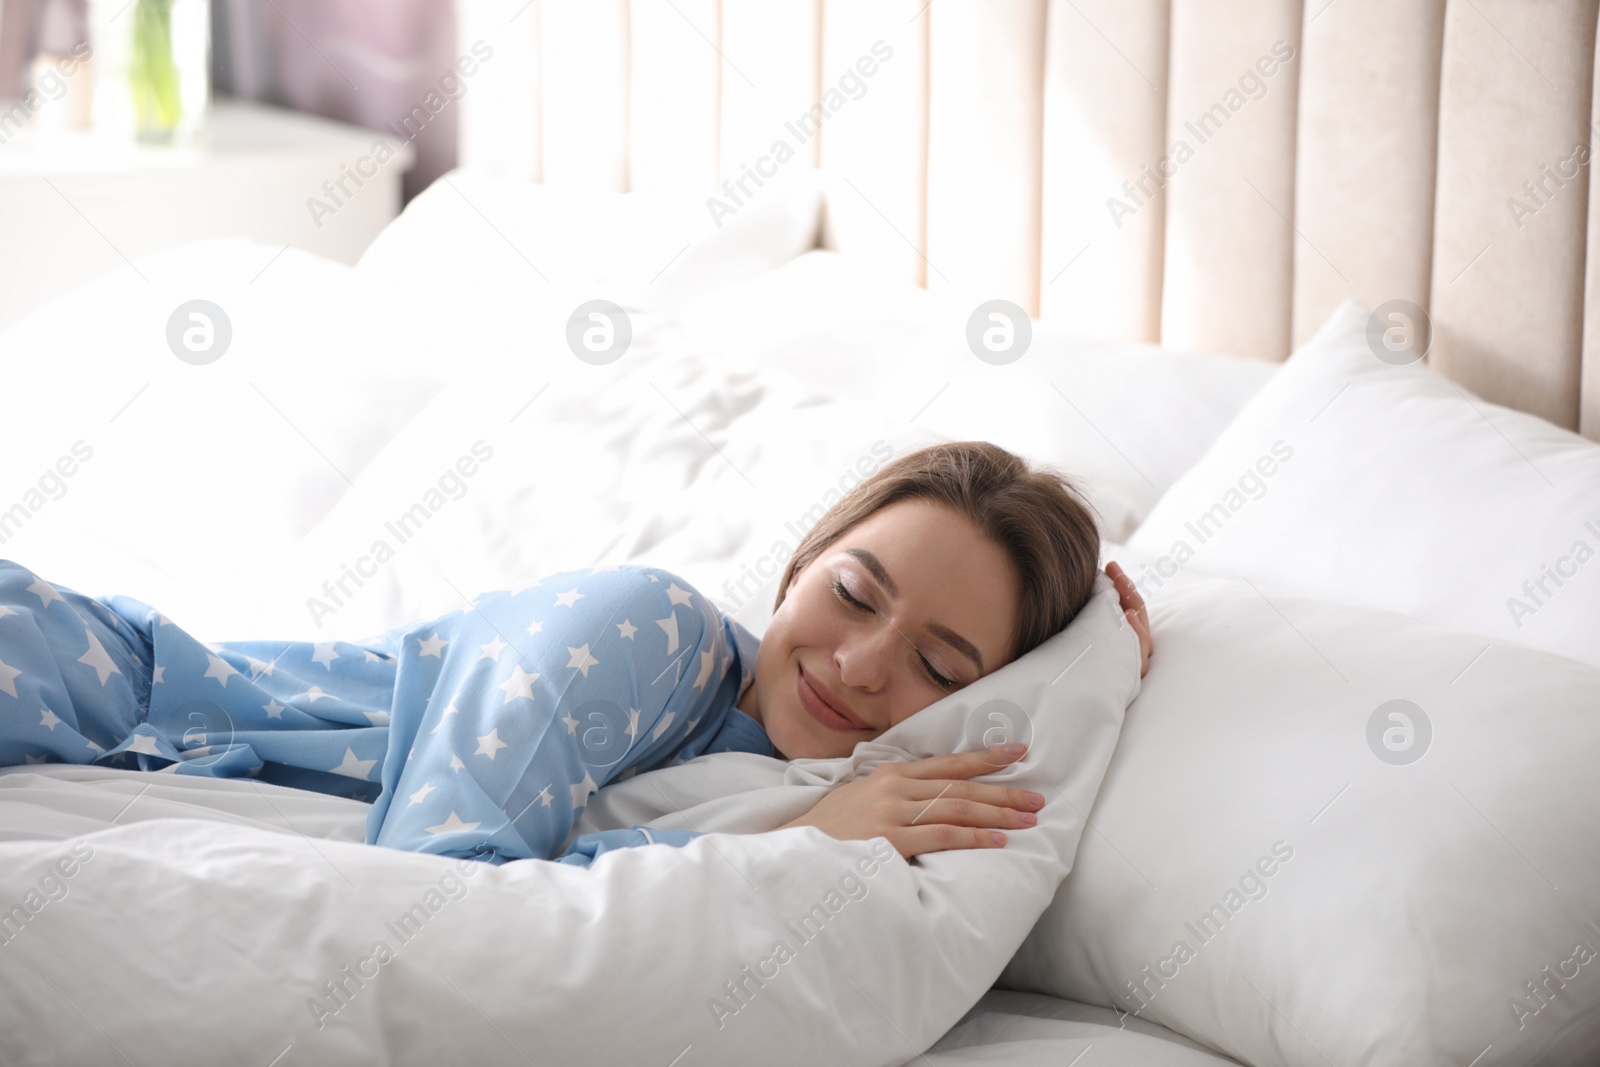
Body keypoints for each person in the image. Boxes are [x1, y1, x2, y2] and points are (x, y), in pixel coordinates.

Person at [0, 441, 1151, 867]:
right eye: (852, 593)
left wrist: (1097, 666)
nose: (858, 666)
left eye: (941, 669)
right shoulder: (647, 631)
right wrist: (787, 839)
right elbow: (442, 874)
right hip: (86, 680)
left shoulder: (806, 774)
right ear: (799, 564)